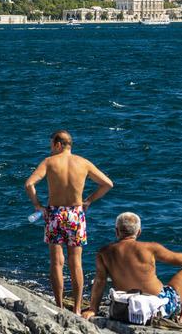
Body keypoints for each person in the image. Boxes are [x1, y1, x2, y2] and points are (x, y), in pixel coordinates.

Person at [24, 130, 113, 314]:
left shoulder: (49, 162)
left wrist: (38, 206)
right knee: (76, 262)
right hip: (75, 214)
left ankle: (60, 307)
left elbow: (29, 184)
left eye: (51, 145)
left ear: (58, 144)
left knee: (57, 262)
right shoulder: (83, 163)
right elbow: (107, 184)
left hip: (55, 214)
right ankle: (78, 309)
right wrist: (88, 200)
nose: (50, 149)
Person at [82, 212, 182, 328]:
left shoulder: (104, 252)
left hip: (124, 308)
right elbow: (177, 258)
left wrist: (93, 309)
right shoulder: (149, 248)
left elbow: (99, 282)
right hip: (156, 308)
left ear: (117, 231)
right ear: (138, 232)